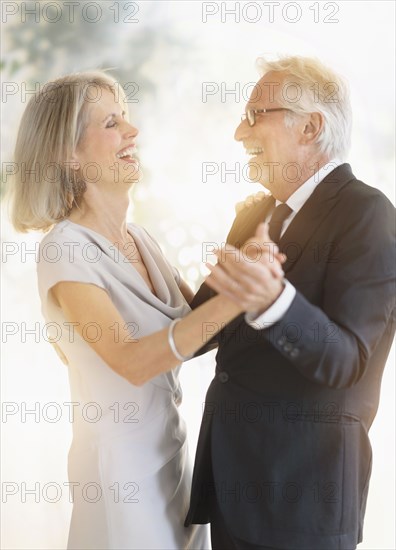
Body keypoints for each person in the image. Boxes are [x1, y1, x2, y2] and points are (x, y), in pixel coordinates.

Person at [8, 71, 284, 550]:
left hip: (174, 465)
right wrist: (241, 295)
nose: (133, 133)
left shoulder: (141, 240)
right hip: (119, 483)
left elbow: (196, 330)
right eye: (112, 122)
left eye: (128, 120)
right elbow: (134, 360)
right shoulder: (65, 250)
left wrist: (247, 240)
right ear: (68, 155)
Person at [185, 56, 396, 550]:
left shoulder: (368, 214)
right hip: (231, 489)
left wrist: (274, 300)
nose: (240, 132)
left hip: (303, 503)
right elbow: (200, 330)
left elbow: (348, 361)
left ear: (311, 127)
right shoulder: (255, 215)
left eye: (257, 114)